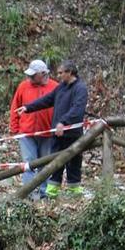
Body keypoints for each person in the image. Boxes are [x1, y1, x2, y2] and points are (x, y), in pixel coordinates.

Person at [15, 60, 88, 198]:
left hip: (72, 134)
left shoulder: (80, 88)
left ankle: (74, 195)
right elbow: (47, 100)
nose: (58, 75)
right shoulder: (61, 87)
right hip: (57, 134)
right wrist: (28, 107)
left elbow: (77, 110)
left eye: (61, 73)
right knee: (55, 165)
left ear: (69, 73)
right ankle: (50, 195)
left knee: (73, 164)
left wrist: (63, 122)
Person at [10, 60, 58, 198]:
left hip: (48, 132)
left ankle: (44, 195)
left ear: (43, 74)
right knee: (28, 163)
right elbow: (15, 107)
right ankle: (28, 195)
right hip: (26, 132)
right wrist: (14, 128)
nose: (29, 77)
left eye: (33, 75)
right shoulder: (23, 86)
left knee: (45, 165)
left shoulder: (55, 87)